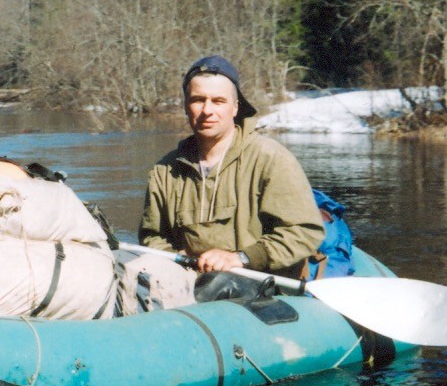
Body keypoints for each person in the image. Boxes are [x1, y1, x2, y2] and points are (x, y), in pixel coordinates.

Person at [139, 55, 325, 276]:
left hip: (261, 284)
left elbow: (305, 232)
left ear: (235, 108)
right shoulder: (165, 171)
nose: (207, 110)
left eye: (218, 101)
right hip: (190, 282)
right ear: (186, 106)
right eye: (198, 100)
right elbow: (153, 236)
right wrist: (178, 264)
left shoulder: (271, 158)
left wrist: (241, 258)